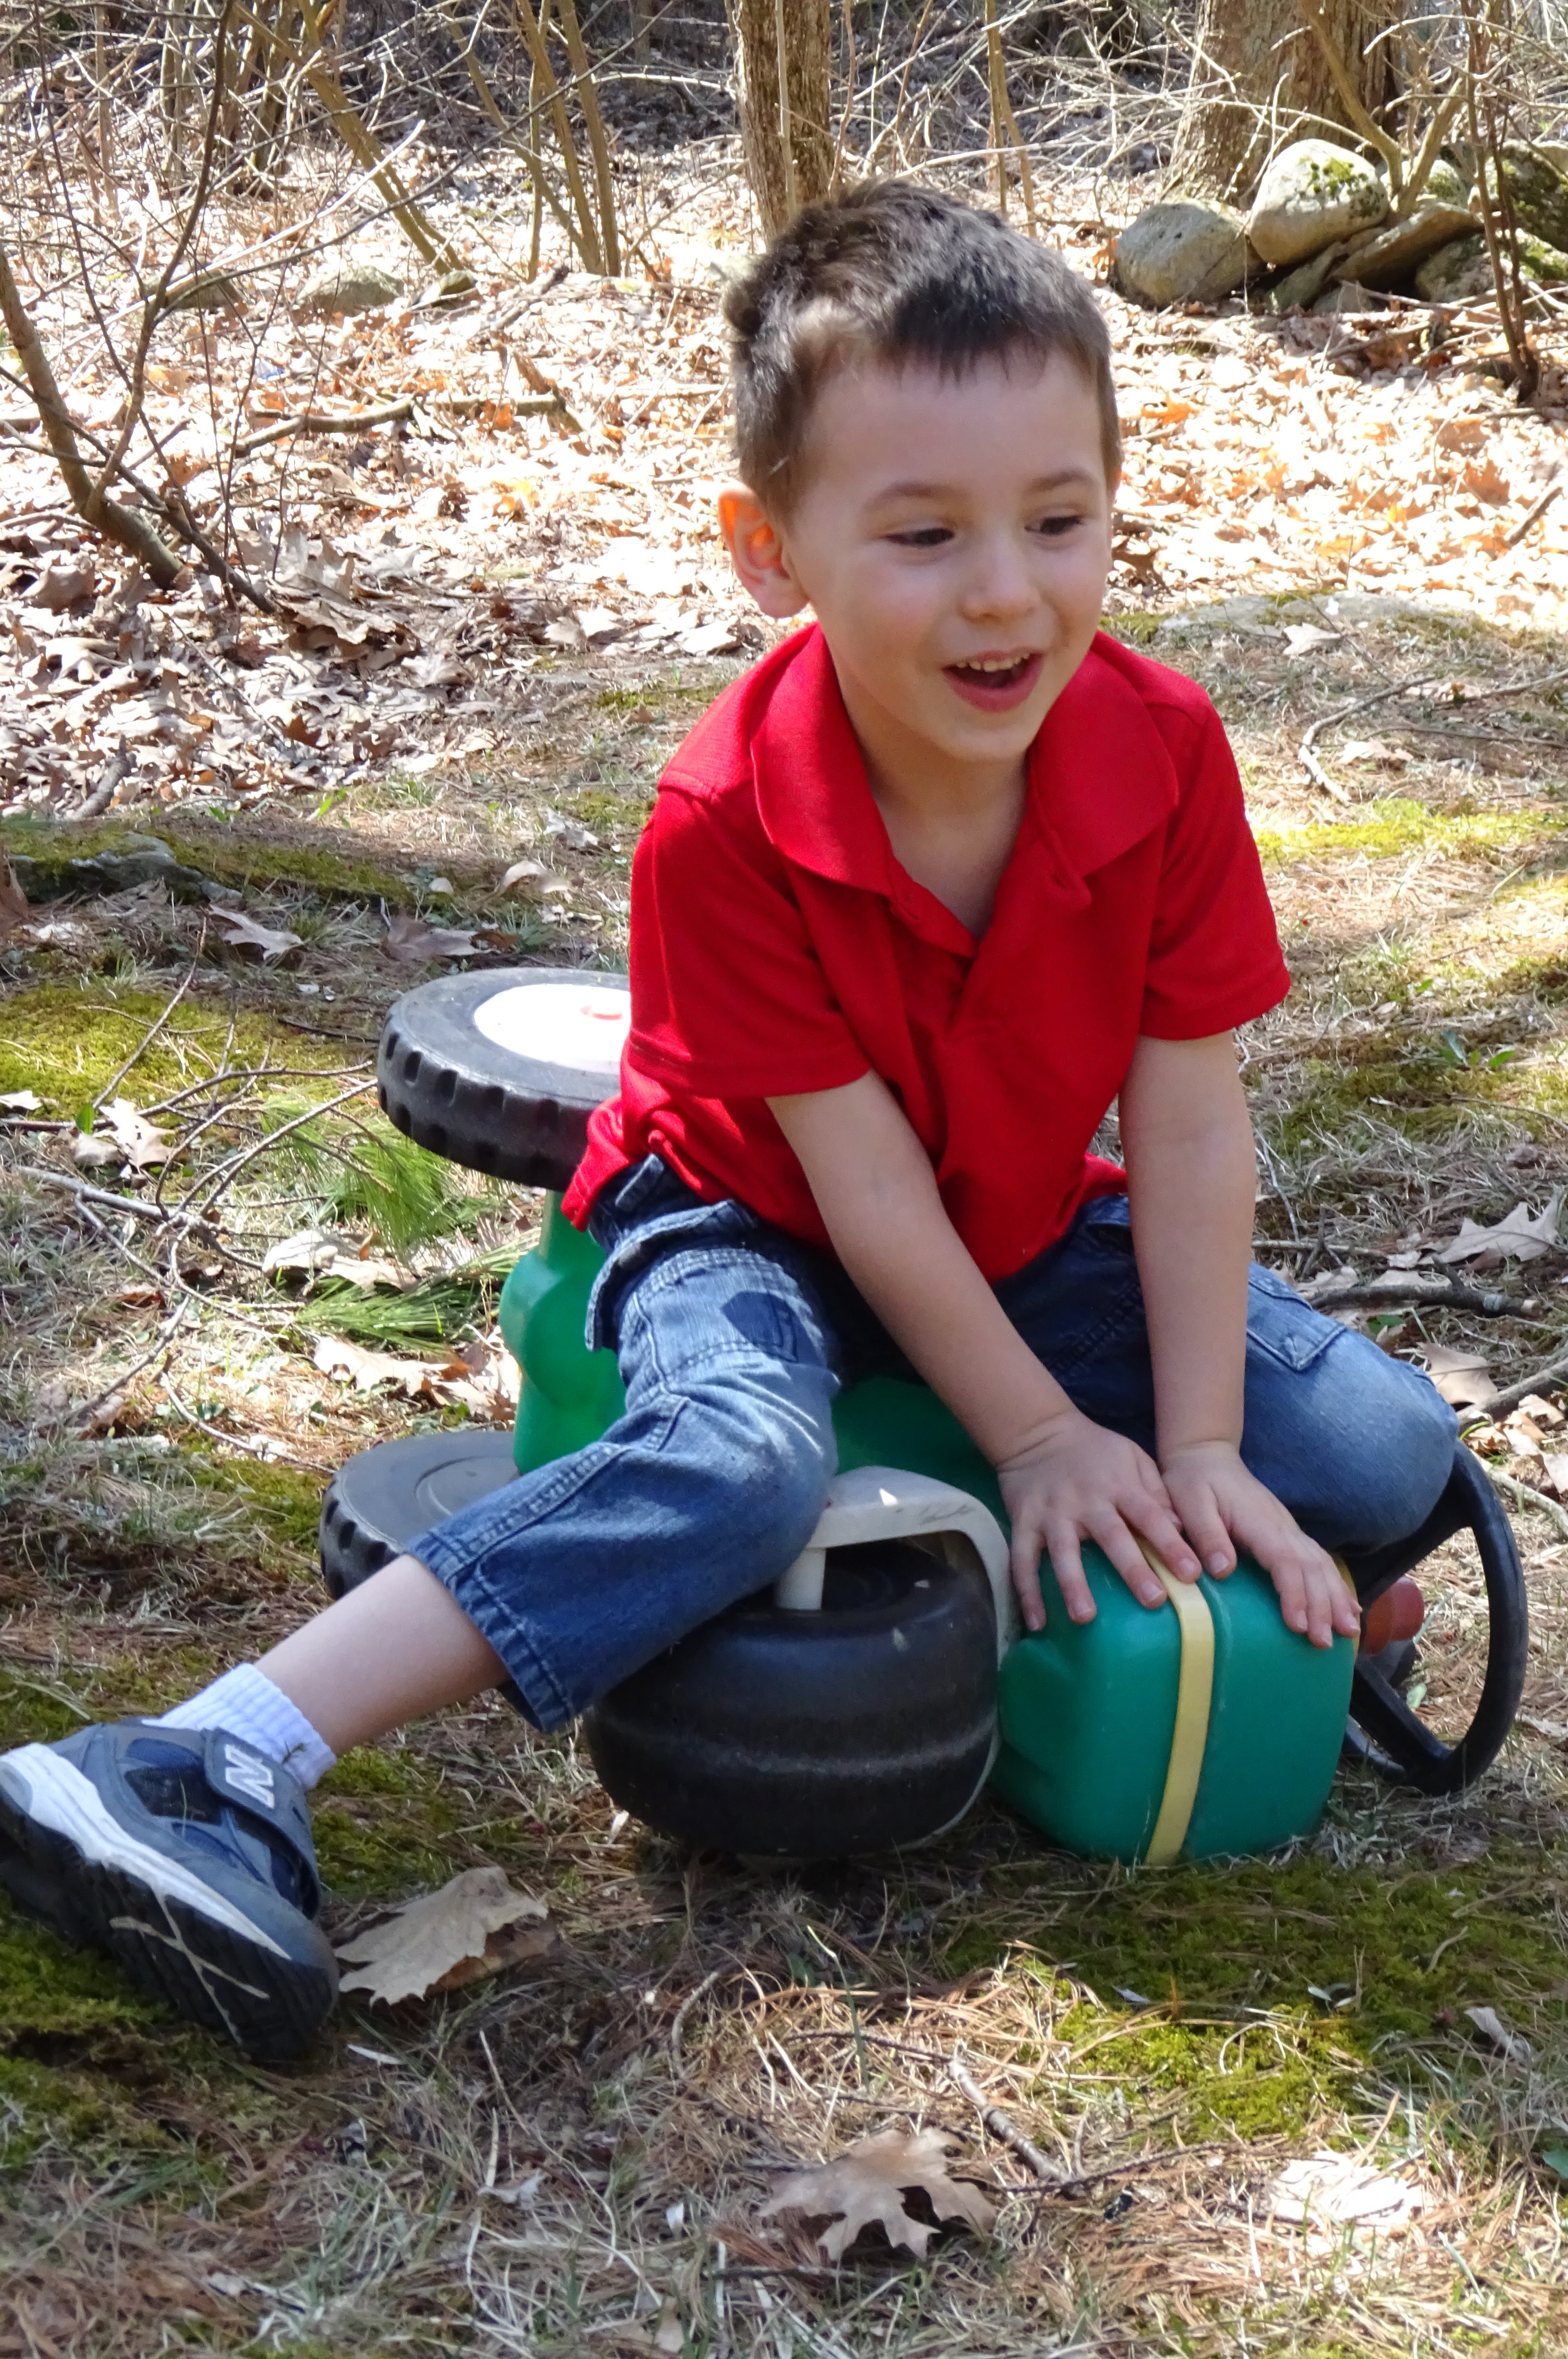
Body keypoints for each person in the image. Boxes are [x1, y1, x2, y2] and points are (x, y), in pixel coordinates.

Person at [0, 181, 1457, 2059]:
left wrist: (1196, 1446)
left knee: (1378, 1443)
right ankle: (207, 1753)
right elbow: (857, 1189)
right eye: (922, 534)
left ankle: (1264, 1618)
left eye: (1059, 520)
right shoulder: (725, 816)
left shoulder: (1162, 752)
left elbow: (1183, 1122)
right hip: (745, 1218)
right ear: (772, 553)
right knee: (748, 1463)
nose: (1004, 590)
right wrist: (1033, 1436)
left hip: (1019, 1219)